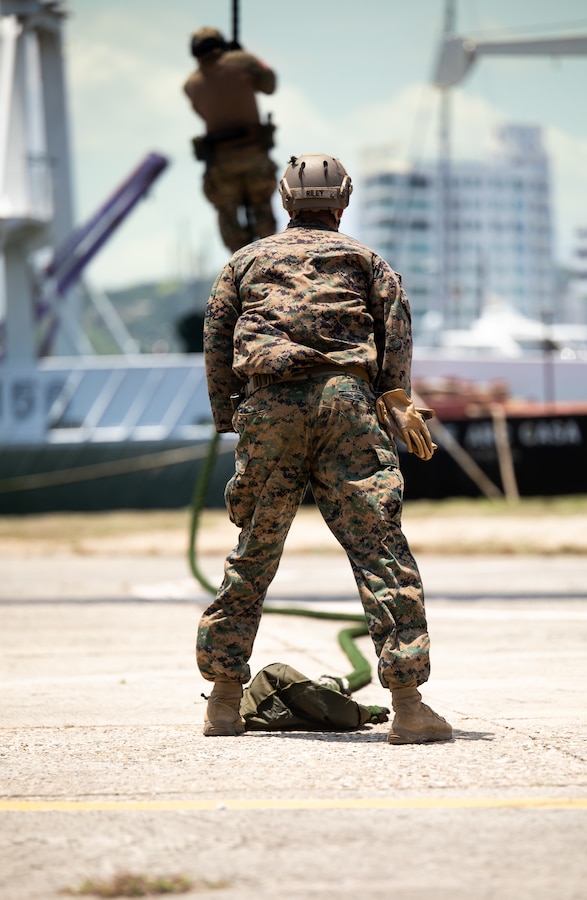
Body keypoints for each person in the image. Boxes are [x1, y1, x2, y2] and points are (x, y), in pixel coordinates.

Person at [197, 153, 453, 745]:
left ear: (286, 201)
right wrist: (396, 395)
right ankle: (410, 708)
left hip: (268, 402)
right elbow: (397, 327)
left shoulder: (244, 260)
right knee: (379, 550)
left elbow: (216, 338)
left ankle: (225, 702)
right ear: (343, 201)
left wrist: (231, 417)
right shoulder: (366, 259)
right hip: (347, 403)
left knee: (254, 549)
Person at [182, 26, 278, 253]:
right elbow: (269, 84)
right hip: (255, 155)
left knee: (228, 217)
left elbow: (203, 111)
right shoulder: (243, 62)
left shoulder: (191, 85)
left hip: (221, 165)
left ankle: (241, 265)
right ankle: (272, 259)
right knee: (263, 211)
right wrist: (247, 58)